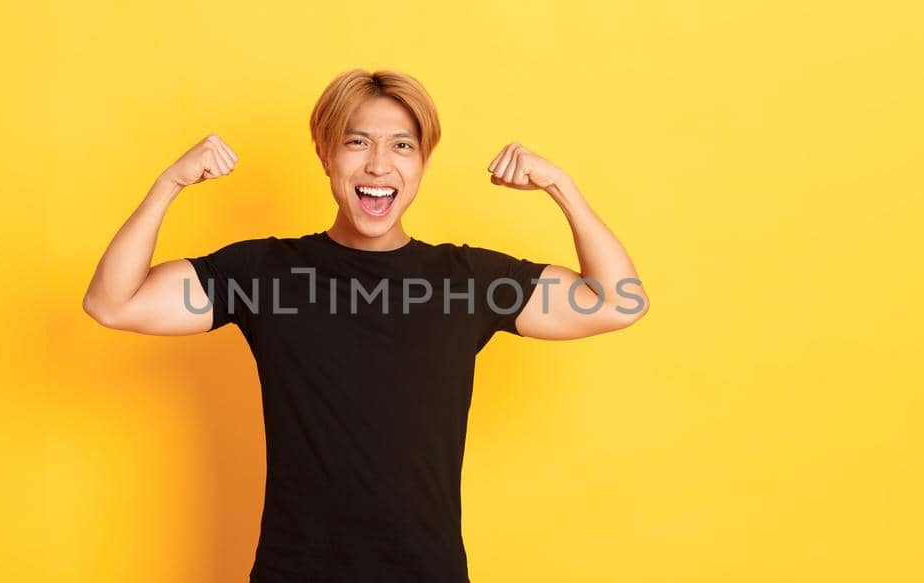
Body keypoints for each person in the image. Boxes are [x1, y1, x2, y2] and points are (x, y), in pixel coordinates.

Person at [82, 68, 649, 582]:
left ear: (422, 163)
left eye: (402, 146)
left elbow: (618, 301)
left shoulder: (468, 280)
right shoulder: (263, 273)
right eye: (358, 143)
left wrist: (562, 188)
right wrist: (168, 184)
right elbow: (114, 303)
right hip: (295, 570)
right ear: (327, 156)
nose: (379, 165)